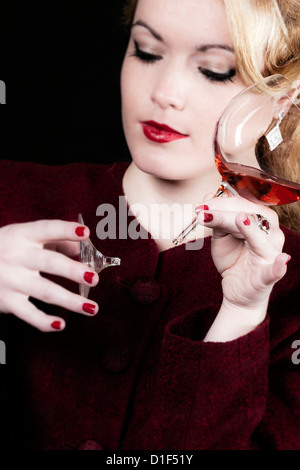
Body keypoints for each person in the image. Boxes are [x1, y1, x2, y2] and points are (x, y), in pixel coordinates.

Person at [0, 0, 299, 450]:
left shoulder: (293, 285)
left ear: (284, 96)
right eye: (146, 51)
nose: (164, 92)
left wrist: (238, 317)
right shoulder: (12, 195)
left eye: (215, 70)